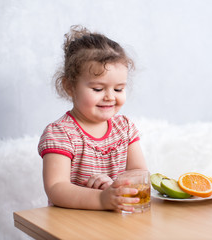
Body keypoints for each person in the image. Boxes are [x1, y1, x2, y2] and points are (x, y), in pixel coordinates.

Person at [38, 25, 147, 212]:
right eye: (98, 89)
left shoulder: (125, 128)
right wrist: (101, 198)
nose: (110, 96)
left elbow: (140, 172)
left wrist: (113, 186)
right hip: (73, 224)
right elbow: (56, 188)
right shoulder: (61, 133)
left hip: (115, 219)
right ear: (69, 86)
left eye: (118, 89)